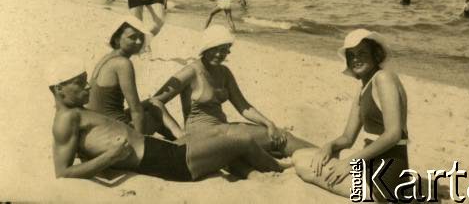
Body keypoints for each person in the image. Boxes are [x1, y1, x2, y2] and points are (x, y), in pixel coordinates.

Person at [47, 56, 284, 181]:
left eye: (86, 79)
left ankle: (259, 167)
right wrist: (111, 156)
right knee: (239, 137)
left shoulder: (76, 113)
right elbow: (63, 173)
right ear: (59, 89)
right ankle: (281, 170)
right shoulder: (65, 119)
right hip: (170, 163)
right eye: (79, 83)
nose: (87, 86)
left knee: (221, 134)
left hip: (164, 150)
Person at [152, 25, 315, 177]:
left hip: (224, 128)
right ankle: (279, 166)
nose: (219, 54)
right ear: (205, 48)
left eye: (224, 51)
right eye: (215, 49)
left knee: (280, 136)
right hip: (201, 134)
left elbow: (243, 106)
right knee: (247, 145)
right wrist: (178, 133)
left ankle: (323, 155)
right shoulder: (190, 72)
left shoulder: (224, 72)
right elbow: (155, 101)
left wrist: (269, 123)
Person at [292, 29, 410, 201]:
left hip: (386, 174)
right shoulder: (364, 87)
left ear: (375, 54)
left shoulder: (384, 78)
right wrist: (330, 146)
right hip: (370, 162)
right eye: (351, 55)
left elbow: (393, 134)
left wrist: (351, 162)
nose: (356, 59)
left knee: (303, 165)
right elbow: (347, 137)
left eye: (362, 53)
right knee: (300, 155)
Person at [87, 16, 181, 140]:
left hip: (96, 126)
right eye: (132, 37)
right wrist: (140, 142)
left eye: (140, 37)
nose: (138, 42)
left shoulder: (106, 59)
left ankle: (179, 138)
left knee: (154, 102)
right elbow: (135, 110)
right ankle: (182, 140)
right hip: (111, 130)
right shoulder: (123, 64)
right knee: (155, 114)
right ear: (116, 39)